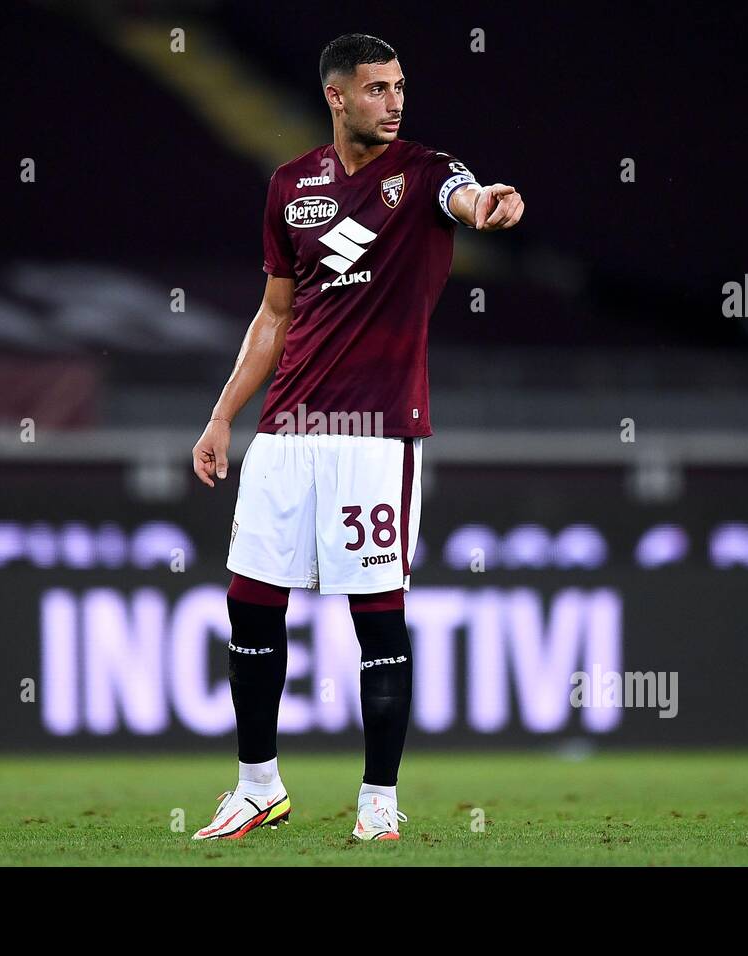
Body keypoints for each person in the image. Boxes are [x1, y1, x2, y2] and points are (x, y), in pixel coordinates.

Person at [189, 33, 524, 841]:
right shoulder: (290, 185)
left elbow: (467, 199)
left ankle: (379, 804)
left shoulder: (427, 172)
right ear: (337, 96)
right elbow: (275, 315)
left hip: (375, 436)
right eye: (377, 88)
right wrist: (223, 413)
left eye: (400, 86)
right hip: (286, 429)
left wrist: (490, 205)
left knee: (376, 615)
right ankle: (257, 786)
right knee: (249, 605)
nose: (394, 100)